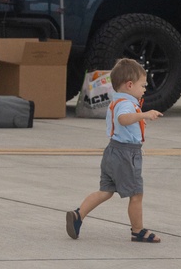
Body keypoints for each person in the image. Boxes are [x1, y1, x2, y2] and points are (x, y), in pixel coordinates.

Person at [66, 58, 163, 243]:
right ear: (129, 85)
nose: (145, 89)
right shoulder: (126, 104)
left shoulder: (117, 100)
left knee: (105, 191)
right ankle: (138, 231)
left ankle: (79, 215)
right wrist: (144, 115)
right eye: (143, 85)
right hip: (126, 154)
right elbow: (123, 119)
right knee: (136, 194)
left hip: (112, 151)